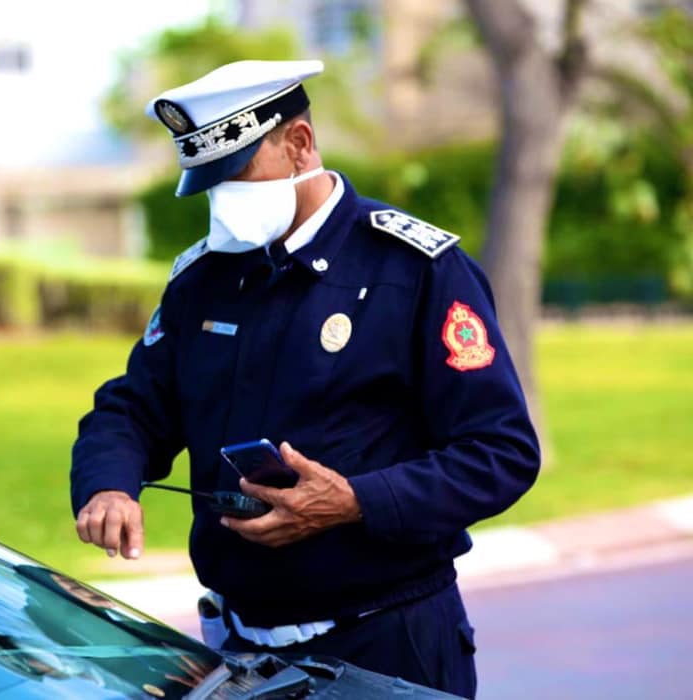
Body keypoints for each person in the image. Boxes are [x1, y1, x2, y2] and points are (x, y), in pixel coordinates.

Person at [70, 59, 540, 698]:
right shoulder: (206, 279)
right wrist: (109, 486)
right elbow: (131, 409)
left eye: (238, 174)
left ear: (299, 146)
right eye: (211, 184)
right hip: (241, 654)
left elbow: (501, 453)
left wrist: (355, 501)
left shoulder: (417, 270)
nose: (224, 201)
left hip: (386, 646)